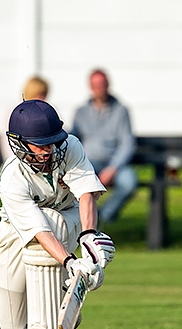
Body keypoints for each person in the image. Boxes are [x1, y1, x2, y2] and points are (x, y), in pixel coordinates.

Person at [0, 99, 115, 329]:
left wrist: (89, 238)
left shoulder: (70, 146)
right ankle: (57, 306)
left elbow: (87, 193)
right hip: (16, 234)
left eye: (52, 142)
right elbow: (39, 231)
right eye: (41, 145)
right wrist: (71, 262)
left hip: (67, 217)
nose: (49, 151)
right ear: (19, 143)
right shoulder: (12, 179)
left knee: (54, 218)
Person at [70, 68, 137, 224]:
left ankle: (102, 216)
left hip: (115, 164)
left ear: (108, 85)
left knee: (129, 183)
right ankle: (78, 222)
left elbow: (127, 143)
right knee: (73, 182)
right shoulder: (80, 112)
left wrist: (113, 168)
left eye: (102, 84)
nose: (99, 88)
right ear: (90, 87)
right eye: (95, 85)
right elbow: (73, 138)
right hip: (88, 163)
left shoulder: (121, 111)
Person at [0, 75, 50, 162]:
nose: (42, 98)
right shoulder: (15, 112)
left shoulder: (48, 111)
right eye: (38, 94)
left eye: (44, 95)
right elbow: (8, 141)